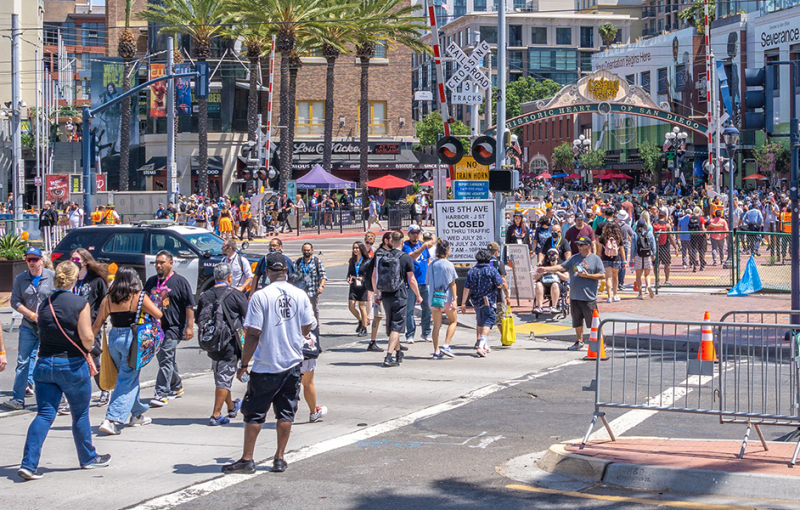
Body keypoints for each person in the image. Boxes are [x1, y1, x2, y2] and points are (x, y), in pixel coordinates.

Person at [222, 253, 315, 475]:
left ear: (265, 272)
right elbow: (307, 326)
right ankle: (279, 458)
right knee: (285, 412)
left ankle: (247, 459)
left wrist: (244, 363)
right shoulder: (300, 294)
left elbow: (253, 333)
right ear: (286, 271)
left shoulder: (260, 296)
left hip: (266, 364)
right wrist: (291, 333)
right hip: (292, 363)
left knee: (254, 413)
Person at [17, 261, 111, 480]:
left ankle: (28, 464)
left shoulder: (44, 303)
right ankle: (88, 458)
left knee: (44, 414)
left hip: (44, 364)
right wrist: (89, 348)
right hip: (71, 364)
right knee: (80, 414)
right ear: (75, 278)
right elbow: (87, 338)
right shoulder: (80, 303)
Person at [93, 267, 162, 435]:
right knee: (126, 379)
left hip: (114, 338)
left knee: (127, 378)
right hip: (133, 339)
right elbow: (158, 314)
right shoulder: (139, 297)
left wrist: (87, 345)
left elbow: (97, 324)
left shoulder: (108, 298)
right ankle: (112, 419)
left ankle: (137, 414)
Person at [195, 263, 249, 426]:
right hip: (229, 344)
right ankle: (216, 415)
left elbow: (198, 320)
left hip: (211, 344)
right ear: (230, 277)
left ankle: (231, 407)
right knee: (224, 380)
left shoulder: (205, 295)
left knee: (221, 378)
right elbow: (248, 318)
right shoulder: (236, 295)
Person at [3, 247, 55, 411]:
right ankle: (18, 398)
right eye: (28, 260)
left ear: (41, 260)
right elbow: (15, 302)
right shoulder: (20, 279)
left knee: (49, 361)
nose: (32, 263)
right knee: (23, 361)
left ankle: (51, 399)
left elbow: (59, 296)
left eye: (35, 259)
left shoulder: (51, 277)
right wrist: (32, 315)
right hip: (28, 325)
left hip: (48, 326)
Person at [145, 251, 196, 408]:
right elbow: (145, 301)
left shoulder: (180, 281)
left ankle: (161, 393)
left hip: (173, 327)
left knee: (166, 357)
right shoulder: (151, 282)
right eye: (156, 263)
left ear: (171, 263)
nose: (158, 265)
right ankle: (176, 385)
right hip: (155, 328)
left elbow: (189, 306)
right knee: (163, 359)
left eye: (162, 262)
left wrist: (189, 327)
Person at [537, 236, 605, 351]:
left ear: (588, 246)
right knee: (577, 321)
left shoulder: (595, 259)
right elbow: (562, 266)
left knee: (594, 321)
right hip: (575, 296)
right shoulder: (574, 258)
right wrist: (546, 269)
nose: (579, 247)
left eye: (581, 245)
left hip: (588, 297)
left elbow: (602, 275)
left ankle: (601, 343)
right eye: (578, 245)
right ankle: (579, 341)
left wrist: (588, 276)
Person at [373, 231, 422, 368]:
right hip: (399, 293)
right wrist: (418, 295)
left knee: (392, 323)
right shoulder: (405, 258)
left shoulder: (384, 256)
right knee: (396, 326)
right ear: (402, 242)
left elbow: (376, 275)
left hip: (386, 293)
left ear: (390, 241)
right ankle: (389, 356)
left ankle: (399, 352)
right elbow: (411, 279)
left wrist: (378, 294)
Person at [70, 249, 110, 406]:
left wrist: (101, 321)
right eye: (71, 259)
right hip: (72, 326)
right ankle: (75, 396)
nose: (73, 262)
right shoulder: (71, 279)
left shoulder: (96, 281)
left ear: (85, 262)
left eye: (76, 259)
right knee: (75, 360)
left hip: (91, 326)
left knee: (93, 359)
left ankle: (104, 389)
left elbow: (104, 302)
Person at [461, 249, 505, 358]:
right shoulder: (492, 270)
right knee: (488, 322)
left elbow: (466, 288)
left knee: (480, 321)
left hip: (475, 300)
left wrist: (463, 304)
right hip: (488, 300)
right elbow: (500, 284)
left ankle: (484, 344)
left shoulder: (472, 271)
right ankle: (481, 345)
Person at [402, 225, 434, 343]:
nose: (415, 235)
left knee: (427, 308)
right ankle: (410, 334)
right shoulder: (406, 246)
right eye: (413, 233)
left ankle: (426, 332)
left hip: (424, 282)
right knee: (409, 309)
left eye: (417, 233)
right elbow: (412, 257)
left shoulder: (422, 244)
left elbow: (428, 260)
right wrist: (424, 246)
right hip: (411, 282)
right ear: (409, 234)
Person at [426, 239, 458, 359]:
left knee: (436, 326)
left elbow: (427, 282)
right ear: (447, 251)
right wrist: (455, 299)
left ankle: (436, 350)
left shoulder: (432, 265)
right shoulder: (448, 265)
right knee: (453, 321)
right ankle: (446, 344)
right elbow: (452, 283)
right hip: (447, 297)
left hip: (434, 298)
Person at [365, 232, 393, 352]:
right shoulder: (380, 253)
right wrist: (377, 292)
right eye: (392, 239)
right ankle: (372, 341)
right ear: (386, 240)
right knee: (378, 316)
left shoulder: (389, 252)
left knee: (391, 316)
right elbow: (374, 275)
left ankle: (394, 341)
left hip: (389, 289)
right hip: (381, 290)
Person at [293, 243, 327, 328]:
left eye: (308, 250)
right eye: (304, 250)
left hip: (313, 291)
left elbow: (323, 275)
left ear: (312, 250)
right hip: (301, 291)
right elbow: (294, 276)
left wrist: (321, 286)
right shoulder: (298, 262)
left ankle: (315, 327)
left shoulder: (317, 261)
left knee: (313, 309)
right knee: (300, 310)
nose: (306, 252)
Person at [533, 248, 569, 315]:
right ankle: (539, 307)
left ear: (557, 255)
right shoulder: (544, 265)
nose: (551, 255)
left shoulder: (561, 265)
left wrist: (557, 272)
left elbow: (566, 278)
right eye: (549, 254)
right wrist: (541, 273)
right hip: (545, 285)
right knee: (538, 284)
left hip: (558, 285)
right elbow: (536, 277)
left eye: (553, 254)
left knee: (554, 284)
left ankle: (554, 307)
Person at [598, 220, 625, 302]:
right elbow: (622, 250)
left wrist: (598, 259)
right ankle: (615, 294)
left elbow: (599, 250)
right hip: (616, 258)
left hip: (605, 258)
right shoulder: (618, 237)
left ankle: (609, 296)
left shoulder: (603, 238)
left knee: (608, 278)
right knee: (615, 277)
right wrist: (624, 261)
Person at [347, 242, 371, 337]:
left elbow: (369, 274)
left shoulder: (367, 261)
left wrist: (363, 278)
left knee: (362, 306)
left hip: (363, 286)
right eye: (354, 248)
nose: (355, 250)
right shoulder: (352, 261)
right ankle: (360, 320)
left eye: (357, 248)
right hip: (354, 285)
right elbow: (349, 272)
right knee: (351, 306)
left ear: (361, 249)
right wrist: (348, 278)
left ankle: (364, 328)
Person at [631, 219, 657, 300]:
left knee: (638, 276)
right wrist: (654, 254)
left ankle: (640, 293)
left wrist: (632, 257)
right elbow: (653, 245)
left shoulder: (635, 234)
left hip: (638, 255)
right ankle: (648, 287)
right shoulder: (649, 233)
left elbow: (633, 247)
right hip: (647, 255)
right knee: (647, 274)